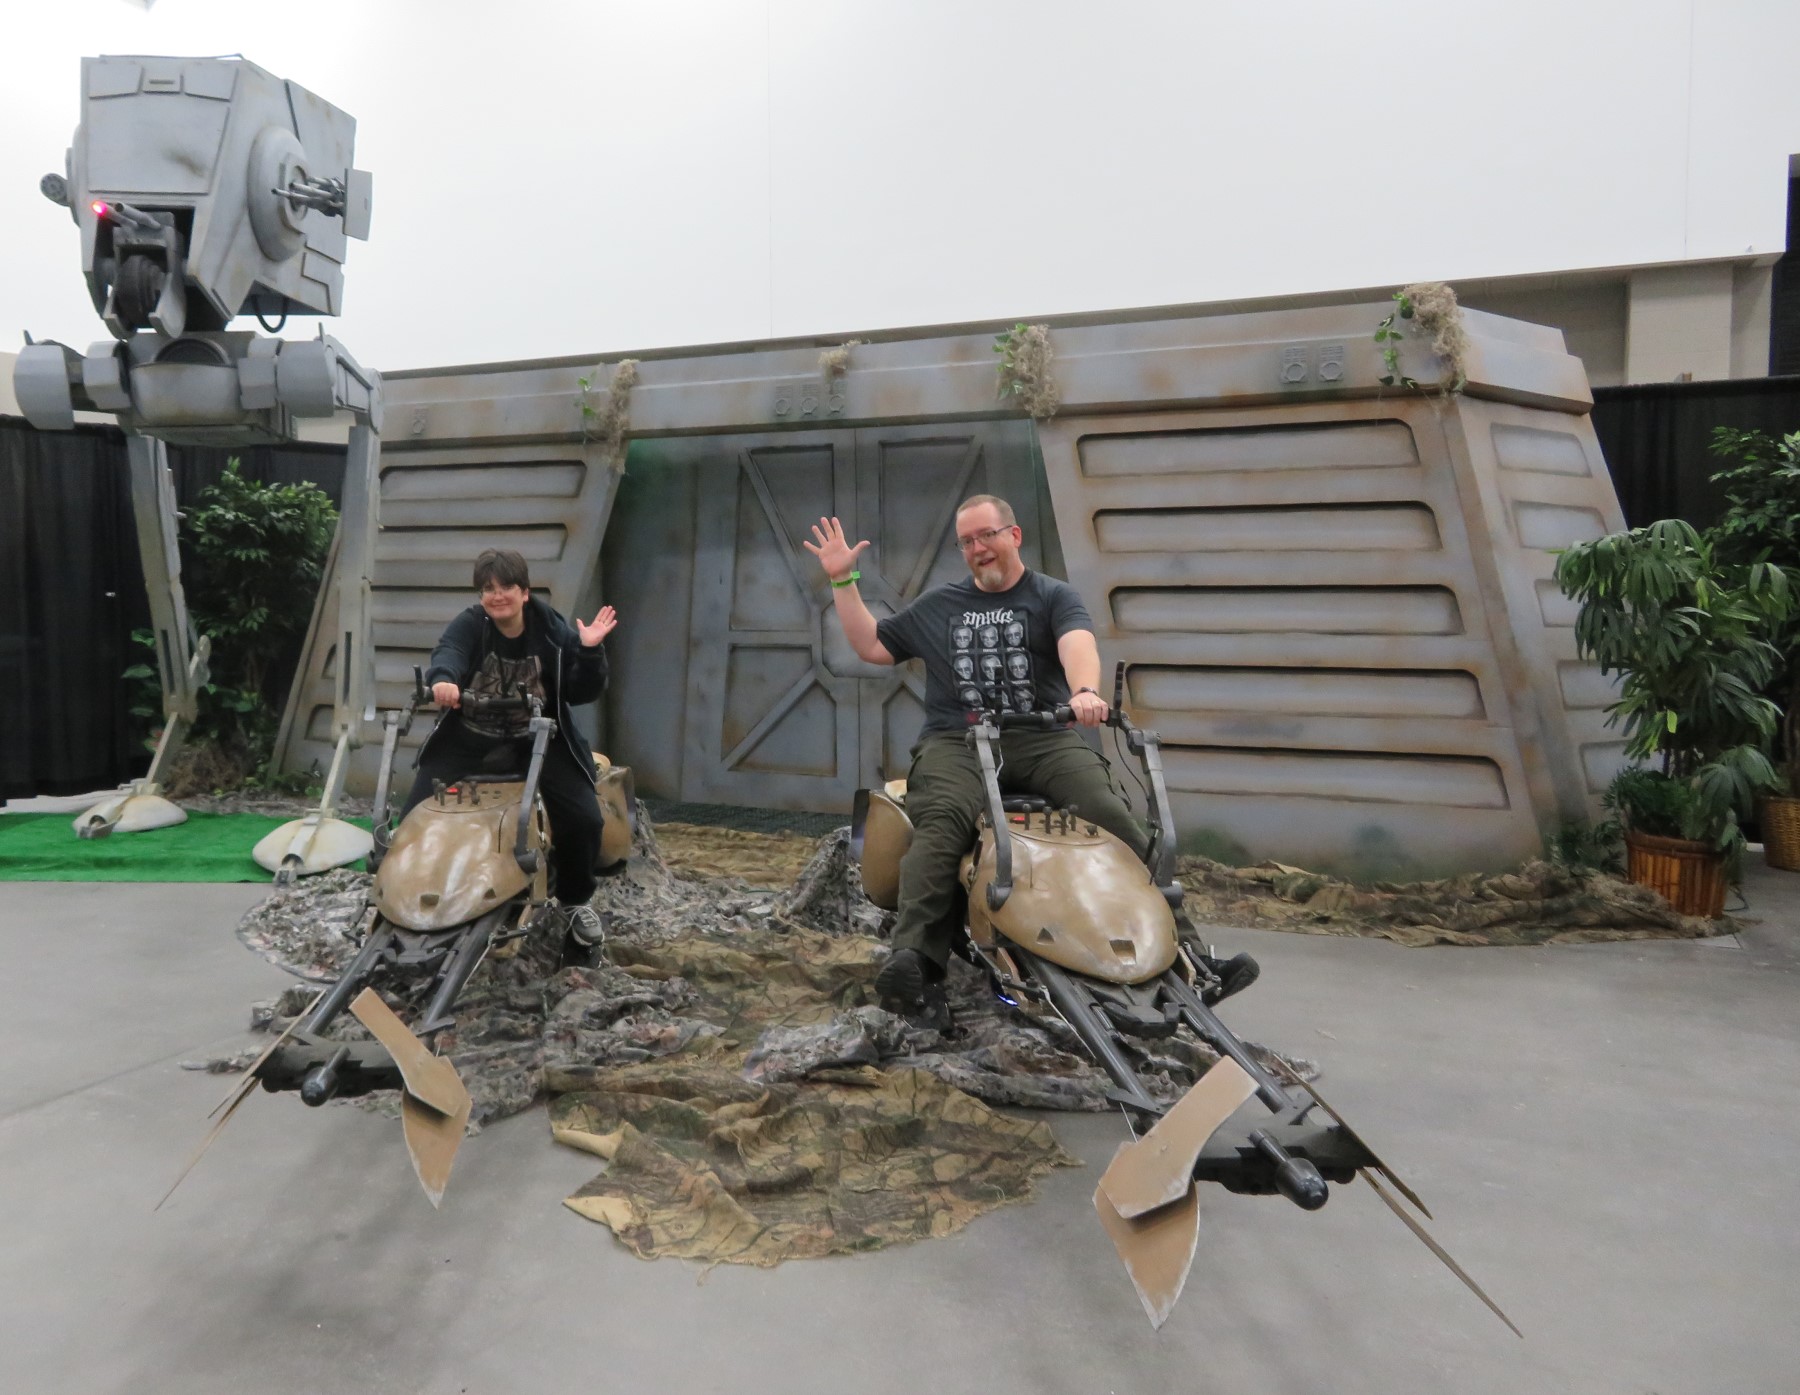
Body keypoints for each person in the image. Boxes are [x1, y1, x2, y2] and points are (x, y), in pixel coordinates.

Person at [805, 495, 1256, 1024]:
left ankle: (1194, 955)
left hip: (1042, 735)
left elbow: (1077, 643)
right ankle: (916, 964)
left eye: (987, 535)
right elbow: (871, 646)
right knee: (941, 821)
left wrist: (1084, 691)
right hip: (959, 740)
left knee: (1110, 814)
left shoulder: (1052, 596)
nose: (978, 548)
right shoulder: (940, 604)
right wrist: (842, 580)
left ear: (1014, 535)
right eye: (967, 542)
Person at [403, 548, 618, 946]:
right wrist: (444, 679)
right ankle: (404, 895)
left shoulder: (550, 629)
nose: (497, 596)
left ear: (524, 592)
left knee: (584, 819)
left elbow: (582, 691)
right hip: (470, 736)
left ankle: (575, 901)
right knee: (413, 815)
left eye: (506, 587)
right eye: (489, 589)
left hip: (539, 737)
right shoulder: (471, 624)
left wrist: (590, 650)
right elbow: (449, 652)